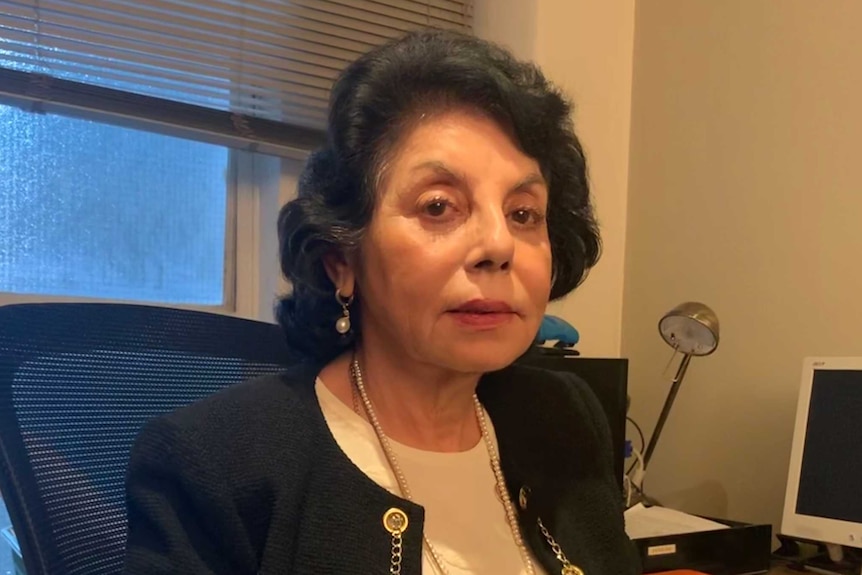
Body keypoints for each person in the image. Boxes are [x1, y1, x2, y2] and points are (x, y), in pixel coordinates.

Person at [123, 29, 640, 575]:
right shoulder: (212, 461)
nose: (498, 246)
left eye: (523, 213)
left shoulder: (565, 414)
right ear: (341, 260)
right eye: (439, 206)